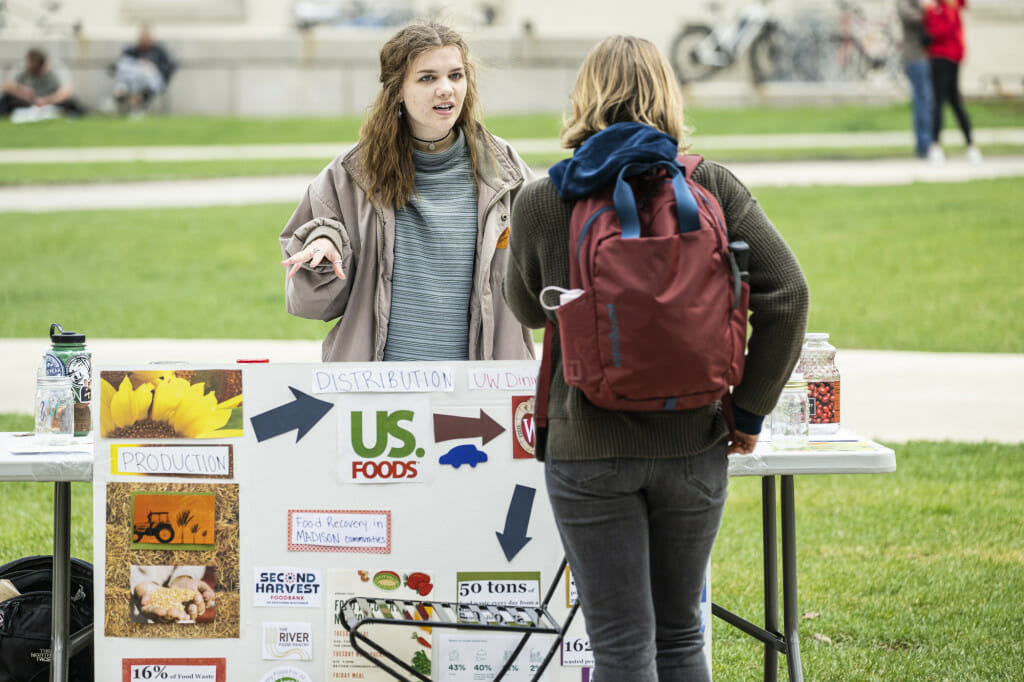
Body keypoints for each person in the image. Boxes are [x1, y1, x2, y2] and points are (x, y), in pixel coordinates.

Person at [503, 35, 808, 681]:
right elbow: (789, 292)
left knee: (619, 644)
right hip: (694, 441)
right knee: (679, 636)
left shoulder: (541, 200)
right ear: (668, 96)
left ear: (583, 98)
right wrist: (747, 414)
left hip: (588, 448)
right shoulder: (711, 184)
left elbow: (529, 312)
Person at [279, 21, 536, 362]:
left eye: (456, 76)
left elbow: (542, 289)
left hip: (479, 394)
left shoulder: (506, 172)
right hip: (377, 395)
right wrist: (325, 241)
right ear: (397, 88)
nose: (446, 89)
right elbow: (311, 304)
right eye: (428, 77)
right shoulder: (351, 174)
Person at [924, 0, 982, 163]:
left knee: (942, 102)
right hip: (948, 57)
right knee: (949, 102)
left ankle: (938, 146)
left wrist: (929, 16)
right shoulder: (946, 9)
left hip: (944, 57)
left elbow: (939, 31)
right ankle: (968, 145)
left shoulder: (943, 10)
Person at [897, 0, 935, 159]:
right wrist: (927, 9)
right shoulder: (906, 3)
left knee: (928, 101)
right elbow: (910, 17)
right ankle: (924, 145)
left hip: (928, 57)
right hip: (915, 58)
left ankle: (929, 142)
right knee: (922, 101)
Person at [0, 47, 85, 118]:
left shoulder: (56, 67)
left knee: (71, 101)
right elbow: (7, 86)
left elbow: (67, 91)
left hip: (51, 102)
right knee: (6, 99)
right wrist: (22, 91)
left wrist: (48, 100)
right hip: (28, 102)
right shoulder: (23, 66)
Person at [113, 25, 177, 115]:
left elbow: (170, 66)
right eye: (142, 37)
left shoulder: (159, 51)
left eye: (146, 37)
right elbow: (120, 66)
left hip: (152, 82)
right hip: (132, 80)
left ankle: (131, 99)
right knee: (130, 69)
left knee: (143, 73)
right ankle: (129, 98)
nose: (144, 40)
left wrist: (154, 67)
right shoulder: (131, 51)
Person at [130, 565, 214, 623]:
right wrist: (136, 582)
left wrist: (184, 575)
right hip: (132, 607)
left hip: (182, 617)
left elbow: (196, 548)